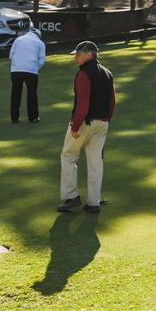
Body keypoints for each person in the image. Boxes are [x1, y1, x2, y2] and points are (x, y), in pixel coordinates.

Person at [58, 41, 116, 214]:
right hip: (102, 123)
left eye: (78, 54)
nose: (75, 57)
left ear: (89, 54)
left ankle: (71, 197)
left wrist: (75, 126)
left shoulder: (83, 74)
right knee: (96, 162)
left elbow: (83, 102)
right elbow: (112, 102)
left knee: (68, 156)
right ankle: (93, 202)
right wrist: (106, 120)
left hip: (85, 123)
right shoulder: (108, 73)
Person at [8, 22, 46, 123]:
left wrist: (16, 64)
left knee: (15, 93)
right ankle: (33, 118)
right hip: (31, 71)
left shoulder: (18, 39)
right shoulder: (40, 43)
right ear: (39, 35)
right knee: (32, 93)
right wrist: (34, 68)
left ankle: (14, 118)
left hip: (15, 70)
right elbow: (42, 60)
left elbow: (11, 55)